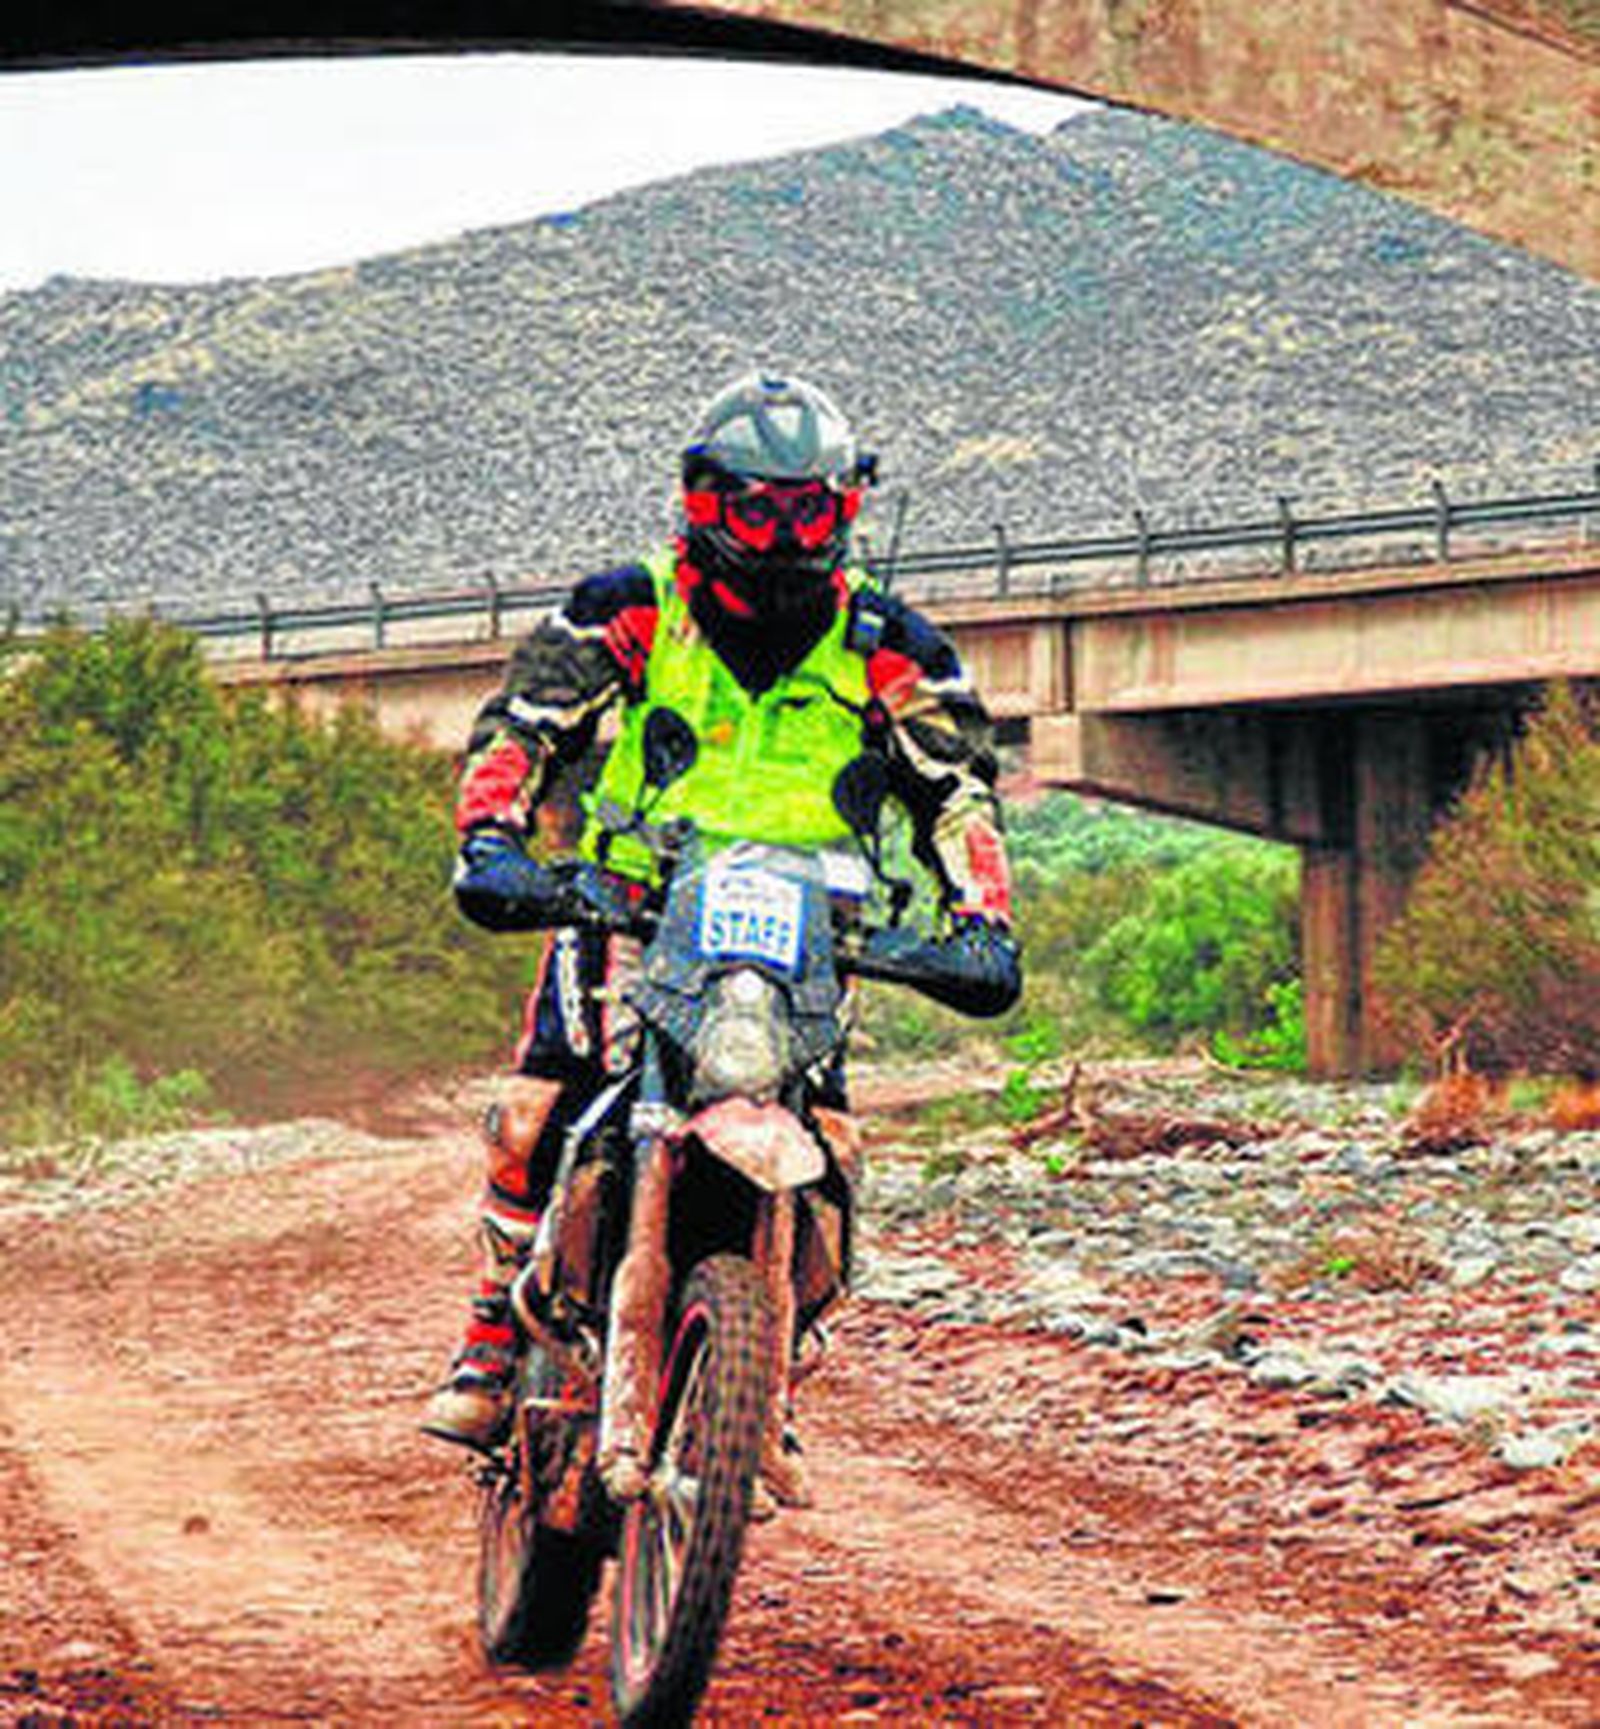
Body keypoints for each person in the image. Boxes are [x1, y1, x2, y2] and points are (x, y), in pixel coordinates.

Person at [423, 371, 1021, 1461]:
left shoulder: (891, 642)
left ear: (846, 510)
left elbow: (959, 791)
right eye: (759, 510)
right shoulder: (628, 606)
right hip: (629, 908)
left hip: (809, 934)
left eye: (811, 511)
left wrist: (981, 917)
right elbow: (521, 725)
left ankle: (768, 1364)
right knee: (534, 1113)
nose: (786, 536)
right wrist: (493, 840)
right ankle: (491, 1334)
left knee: (830, 1145)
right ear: (705, 503)